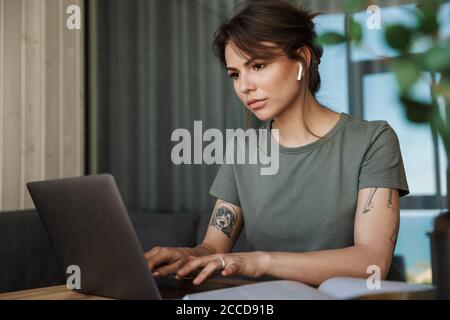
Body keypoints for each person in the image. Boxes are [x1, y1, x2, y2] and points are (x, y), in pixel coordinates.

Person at [145, 0, 409, 287]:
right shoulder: (242, 151)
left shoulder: (373, 140)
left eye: (257, 65)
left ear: (302, 60)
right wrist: (186, 256)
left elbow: (372, 262)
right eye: (235, 74)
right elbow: (213, 248)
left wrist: (259, 261)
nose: (244, 86)